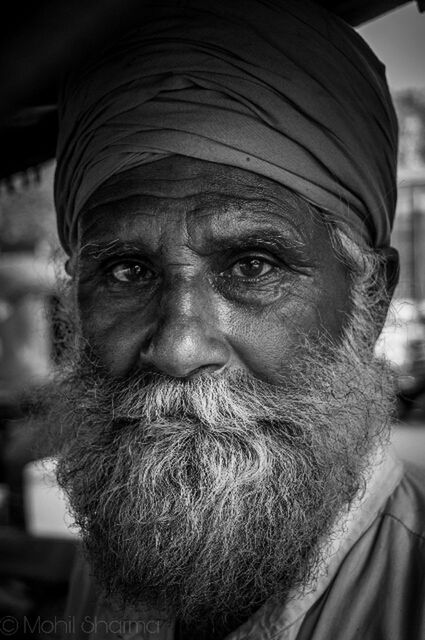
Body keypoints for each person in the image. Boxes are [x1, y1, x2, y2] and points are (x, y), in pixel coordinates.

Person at [41, 0, 425, 638]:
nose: (178, 347)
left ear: (371, 296)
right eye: (127, 271)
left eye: (252, 266)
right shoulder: (119, 561)